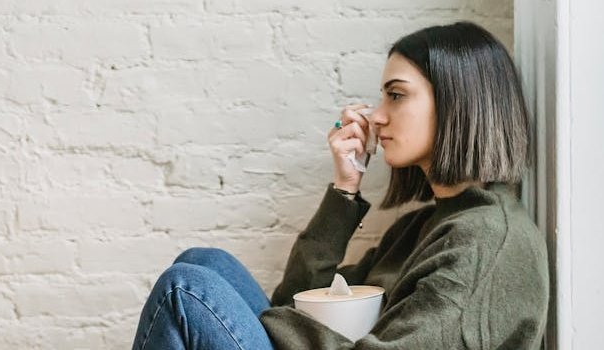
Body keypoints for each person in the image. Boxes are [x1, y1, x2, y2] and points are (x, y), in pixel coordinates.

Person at [131, 21, 549, 349]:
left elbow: (284, 316)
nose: (378, 116)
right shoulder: (418, 228)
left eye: (396, 95)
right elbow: (297, 301)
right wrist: (345, 190)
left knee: (184, 289)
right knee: (204, 262)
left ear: (456, 102)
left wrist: (269, 323)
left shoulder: (486, 242)